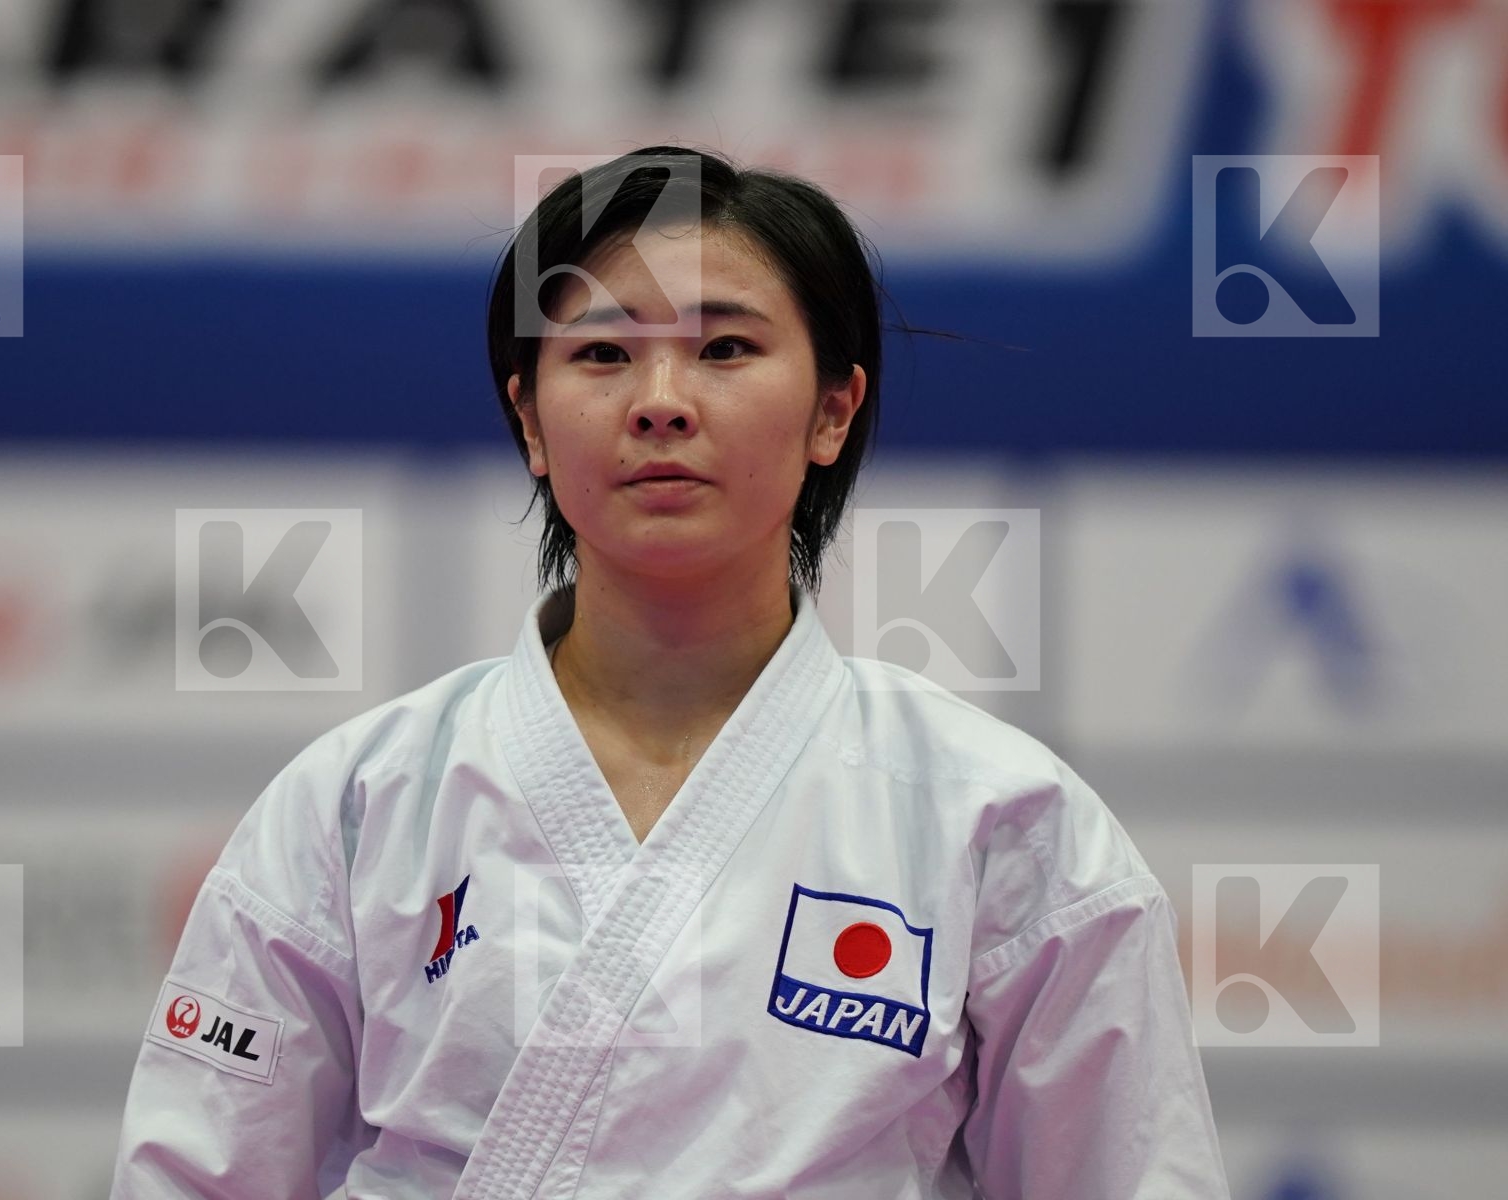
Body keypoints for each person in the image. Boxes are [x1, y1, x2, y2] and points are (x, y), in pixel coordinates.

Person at [109, 145, 1232, 1199]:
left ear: (833, 409)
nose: (659, 399)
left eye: (725, 348)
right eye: (600, 352)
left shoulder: (999, 817)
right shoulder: (360, 802)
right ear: (531, 421)